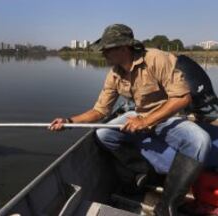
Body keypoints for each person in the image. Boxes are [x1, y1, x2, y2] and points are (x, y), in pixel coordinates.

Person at [49, 24, 211, 216]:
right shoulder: (114, 73)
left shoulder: (156, 59)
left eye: (107, 49)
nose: (103, 53)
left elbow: (182, 98)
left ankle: (167, 204)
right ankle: (142, 171)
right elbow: (100, 110)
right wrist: (68, 122)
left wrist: (146, 122)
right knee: (103, 134)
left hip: (168, 116)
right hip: (139, 114)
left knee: (201, 141)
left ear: (124, 48)